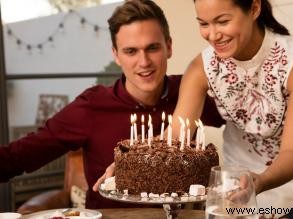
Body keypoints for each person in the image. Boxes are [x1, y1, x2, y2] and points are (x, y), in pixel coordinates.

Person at [0, 0, 224, 209]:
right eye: (130, 51)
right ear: (116, 55)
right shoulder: (91, 107)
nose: (144, 62)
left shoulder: (190, 92)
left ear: (169, 47)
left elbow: (245, 124)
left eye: (152, 48)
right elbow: (23, 154)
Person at [169, 0, 293, 216]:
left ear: (255, 8)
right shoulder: (200, 68)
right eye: (204, 24)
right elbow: (176, 133)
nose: (212, 35)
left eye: (222, 21)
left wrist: (260, 181)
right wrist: (132, 158)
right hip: (237, 178)